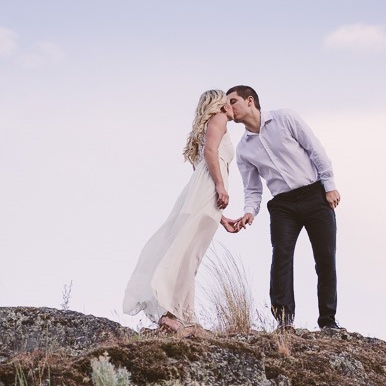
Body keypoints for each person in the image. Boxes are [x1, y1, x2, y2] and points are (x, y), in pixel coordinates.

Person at [226, 85, 341, 331]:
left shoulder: (285, 118)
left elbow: (315, 149)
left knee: (325, 258)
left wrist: (329, 185)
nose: (229, 108)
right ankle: (284, 322)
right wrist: (249, 211)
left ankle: (328, 322)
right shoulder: (243, 150)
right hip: (282, 206)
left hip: (314, 195)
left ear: (250, 100)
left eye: (233, 101)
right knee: (281, 257)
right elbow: (253, 189)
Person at [123, 89, 237, 332]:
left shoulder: (205, 127)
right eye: (228, 101)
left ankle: (185, 314)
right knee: (189, 254)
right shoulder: (218, 119)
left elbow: (204, 165)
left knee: (189, 254)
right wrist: (220, 186)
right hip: (207, 191)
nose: (231, 106)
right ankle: (172, 312)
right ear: (218, 104)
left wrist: (221, 216)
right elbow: (210, 154)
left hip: (199, 195)